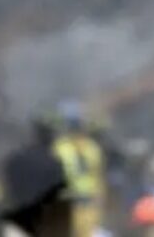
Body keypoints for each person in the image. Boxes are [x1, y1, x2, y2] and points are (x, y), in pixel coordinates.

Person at [50, 101, 105, 237]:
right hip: (77, 202)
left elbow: (98, 177)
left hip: (81, 202)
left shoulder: (60, 147)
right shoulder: (92, 148)